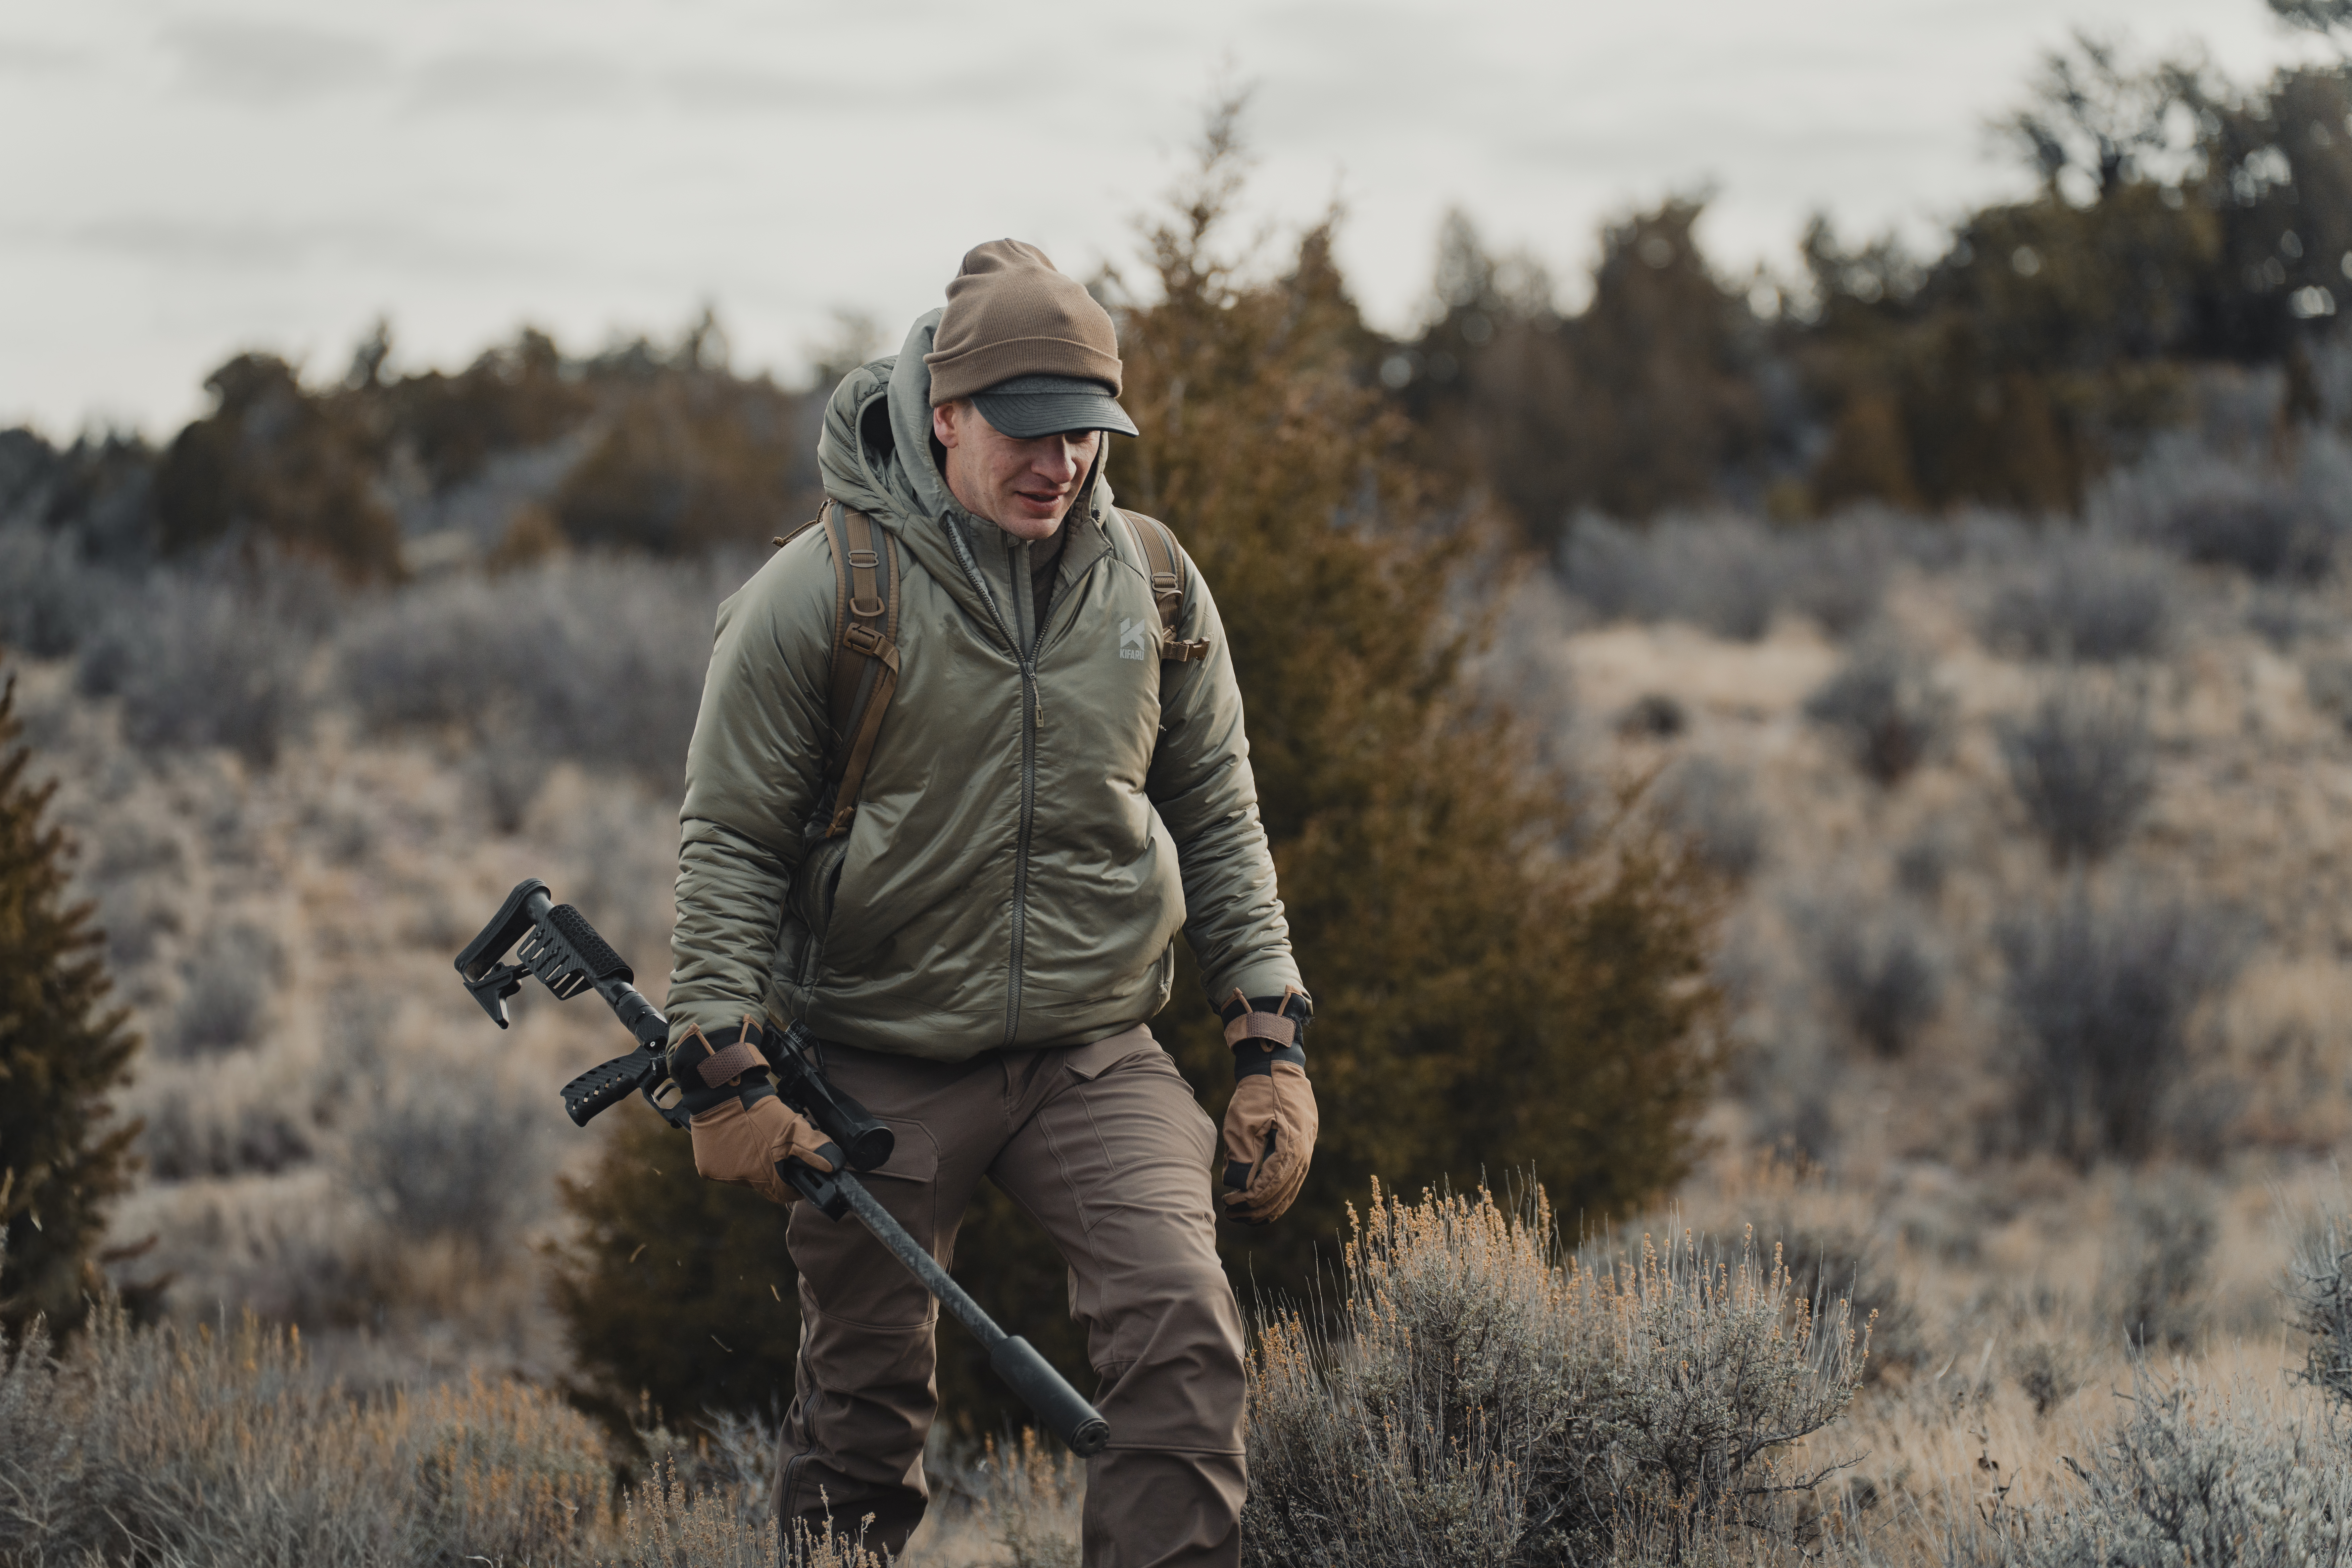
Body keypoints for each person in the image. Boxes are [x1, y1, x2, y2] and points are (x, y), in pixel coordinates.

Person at [662, 239, 1320, 1567]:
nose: (1059, 460)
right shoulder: (820, 596)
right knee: (861, 1415)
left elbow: (1221, 816)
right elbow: (732, 841)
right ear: (944, 410)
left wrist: (1269, 1042)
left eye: (1085, 428)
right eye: (1025, 429)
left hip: (1094, 1053)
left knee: (1182, 1333)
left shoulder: (1153, 582)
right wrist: (721, 1061)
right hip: (877, 1061)